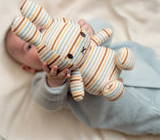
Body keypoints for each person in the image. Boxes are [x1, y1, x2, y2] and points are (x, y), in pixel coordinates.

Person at [5, 18, 160, 135]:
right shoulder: (43, 80)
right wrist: (54, 81)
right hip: (133, 115)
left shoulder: (79, 37)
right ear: (29, 68)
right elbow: (47, 102)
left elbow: (106, 28)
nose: (41, 40)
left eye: (40, 30)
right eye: (30, 46)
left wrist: (90, 29)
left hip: (141, 67)